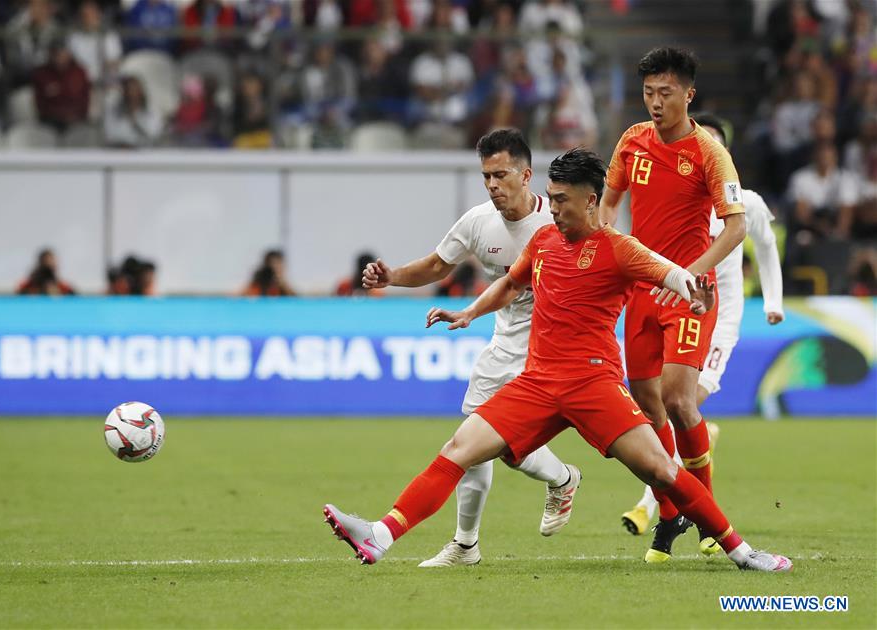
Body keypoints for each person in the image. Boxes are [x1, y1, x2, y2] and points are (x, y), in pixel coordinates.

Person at [324, 148, 792, 573]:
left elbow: (675, 277)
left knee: (663, 471)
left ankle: (741, 551)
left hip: (594, 385)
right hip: (538, 383)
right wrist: (468, 312)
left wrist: (699, 296)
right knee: (457, 451)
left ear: (592, 201)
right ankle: (381, 535)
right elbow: (510, 285)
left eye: (563, 199)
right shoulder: (545, 241)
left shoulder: (620, 249)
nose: (555, 208)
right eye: (551, 196)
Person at [361, 128, 579, 567]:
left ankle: (580, 483)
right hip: (503, 345)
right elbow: (437, 265)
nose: (493, 185)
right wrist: (392, 279)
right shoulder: (479, 222)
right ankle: (468, 543)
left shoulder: (559, 222)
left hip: (553, 351)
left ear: (526, 175)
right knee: (472, 439)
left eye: (500, 174)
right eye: (486, 176)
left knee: (490, 442)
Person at [598, 47, 747, 563]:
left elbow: (738, 226)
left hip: (689, 295)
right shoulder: (632, 142)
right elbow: (608, 205)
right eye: (648, 93)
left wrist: (692, 273)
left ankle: (706, 514)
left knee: (681, 399)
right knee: (646, 405)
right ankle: (670, 509)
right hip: (642, 290)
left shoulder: (709, 152)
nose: (655, 103)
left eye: (665, 93)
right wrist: (606, 248)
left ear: (689, 94)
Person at [621, 113, 785, 537]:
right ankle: (676, 500)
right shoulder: (689, 198)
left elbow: (765, 248)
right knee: (660, 404)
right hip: (673, 305)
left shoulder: (743, 203)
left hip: (720, 313)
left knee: (682, 402)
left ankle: (666, 506)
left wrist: (773, 302)